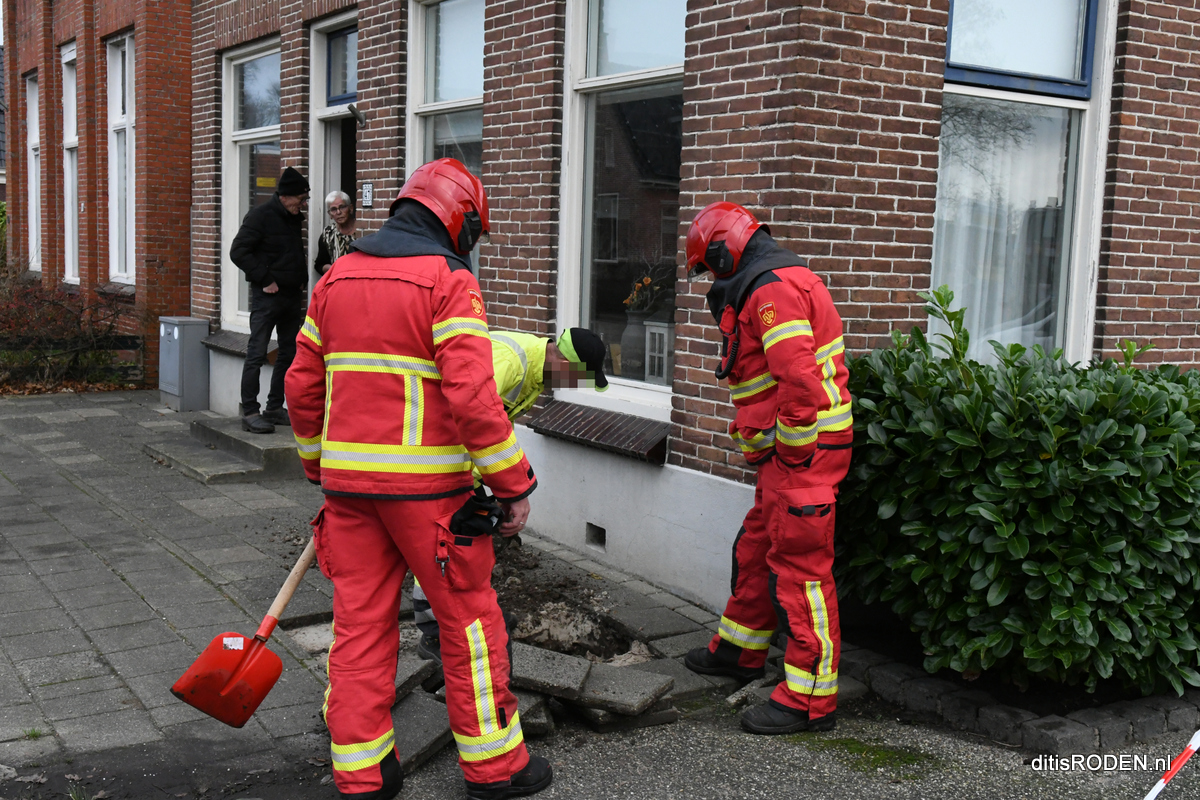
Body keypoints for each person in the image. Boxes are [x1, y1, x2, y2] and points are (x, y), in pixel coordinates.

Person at [285, 158, 552, 800]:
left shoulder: (337, 277)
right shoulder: (447, 281)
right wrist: (514, 485)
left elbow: (301, 385)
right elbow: (473, 396)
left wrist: (320, 465)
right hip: (432, 501)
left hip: (348, 498)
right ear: (459, 222)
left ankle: (364, 775)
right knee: (468, 624)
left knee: (360, 626)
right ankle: (495, 769)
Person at [680, 201, 853, 736]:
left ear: (724, 251)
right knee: (758, 545)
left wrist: (795, 453)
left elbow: (798, 383)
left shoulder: (770, 289)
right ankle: (739, 650)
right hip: (789, 453)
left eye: (709, 268)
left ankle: (809, 698)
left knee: (801, 570)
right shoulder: (767, 281)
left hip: (803, 452)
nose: (710, 279)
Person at [413, 327, 610, 664]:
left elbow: (498, 430)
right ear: (559, 358)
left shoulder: (534, 371)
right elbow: (472, 418)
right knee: (451, 546)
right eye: (575, 377)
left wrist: (500, 486)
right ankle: (437, 634)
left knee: (463, 545)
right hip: (436, 459)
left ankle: (468, 621)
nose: (571, 386)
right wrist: (512, 488)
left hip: (455, 461)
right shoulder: (509, 362)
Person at [230, 166, 310, 434]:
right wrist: (265, 280)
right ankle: (250, 411)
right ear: (286, 196)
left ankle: (274, 407)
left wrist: (301, 280)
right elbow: (238, 252)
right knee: (257, 353)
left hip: (291, 297)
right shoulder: (260, 216)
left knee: (288, 353)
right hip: (267, 297)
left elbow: (291, 253)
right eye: (301, 198)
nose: (304, 203)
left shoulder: (293, 217)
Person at [314, 190, 359, 276]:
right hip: (337, 282)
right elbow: (319, 264)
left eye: (342, 207)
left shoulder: (362, 230)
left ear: (351, 208)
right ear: (330, 214)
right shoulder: (328, 234)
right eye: (334, 209)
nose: (338, 212)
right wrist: (332, 269)